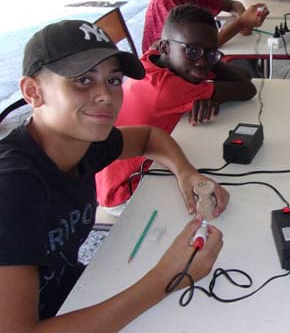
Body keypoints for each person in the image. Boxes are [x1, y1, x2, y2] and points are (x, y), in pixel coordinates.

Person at [0, 19, 228, 326]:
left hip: (73, 293)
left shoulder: (81, 140)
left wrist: (186, 172)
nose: (105, 96)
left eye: (113, 81)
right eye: (83, 80)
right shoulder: (13, 189)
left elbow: (149, 137)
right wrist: (166, 278)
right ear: (33, 92)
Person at [97, 5, 256, 215]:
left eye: (211, 53)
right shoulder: (168, 89)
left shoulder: (152, 60)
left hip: (112, 175)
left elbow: (244, 79)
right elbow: (247, 88)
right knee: (226, 202)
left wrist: (205, 62)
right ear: (164, 47)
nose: (201, 63)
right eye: (192, 50)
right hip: (126, 189)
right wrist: (208, 65)